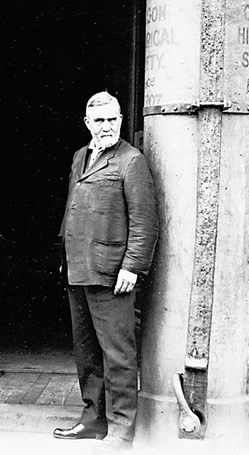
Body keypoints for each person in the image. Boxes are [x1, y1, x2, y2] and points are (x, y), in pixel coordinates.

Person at [53, 91, 159, 452]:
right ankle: (92, 420)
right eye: (99, 120)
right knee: (86, 352)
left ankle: (122, 429)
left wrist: (132, 266)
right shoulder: (79, 157)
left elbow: (145, 222)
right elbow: (73, 208)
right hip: (78, 269)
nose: (107, 126)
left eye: (113, 119)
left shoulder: (132, 161)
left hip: (112, 274)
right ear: (87, 123)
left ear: (121, 120)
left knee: (118, 354)